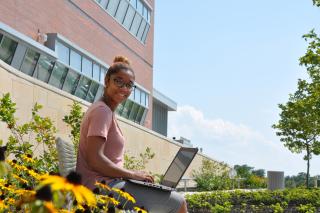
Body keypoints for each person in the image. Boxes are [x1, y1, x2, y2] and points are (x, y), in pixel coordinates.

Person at [76, 56, 187, 213]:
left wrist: (133, 176)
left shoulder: (105, 110)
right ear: (107, 80)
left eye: (129, 85)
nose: (124, 88)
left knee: (164, 196)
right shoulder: (102, 111)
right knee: (179, 202)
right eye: (118, 81)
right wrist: (132, 174)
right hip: (99, 188)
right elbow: (95, 159)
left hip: (109, 183)